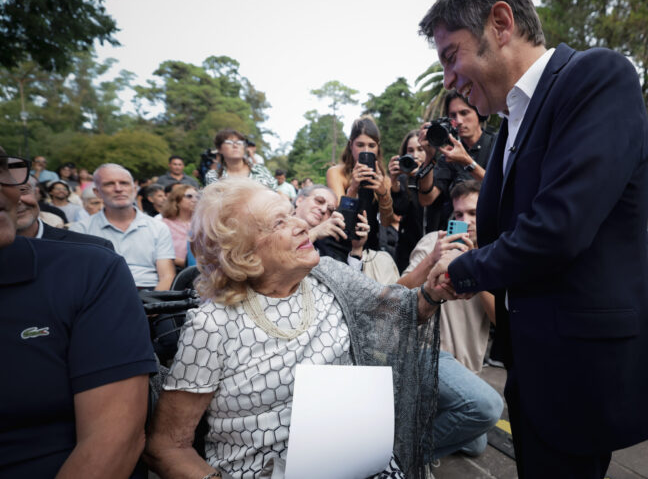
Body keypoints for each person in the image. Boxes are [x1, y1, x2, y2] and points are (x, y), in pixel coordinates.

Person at [420, 0, 648, 478]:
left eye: (451, 55)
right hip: (533, 367)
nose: (448, 79)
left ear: (500, 23)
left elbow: (559, 226)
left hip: (580, 372)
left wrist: (463, 271)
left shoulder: (597, 77)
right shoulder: (512, 122)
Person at [144, 179, 453, 479]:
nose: (302, 225)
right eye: (279, 222)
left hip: (356, 462)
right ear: (244, 252)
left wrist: (432, 292)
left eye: (291, 213)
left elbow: (399, 311)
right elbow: (167, 447)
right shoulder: (212, 325)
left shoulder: (329, 274)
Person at [0, 147, 156, 477]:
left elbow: (115, 440)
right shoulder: (88, 236)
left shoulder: (90, 268)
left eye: (2, 171)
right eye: (109, 184)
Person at [403, 180, 502, 460]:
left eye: (473, 213)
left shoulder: (496, 253)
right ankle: (400, 456)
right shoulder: (435, 242)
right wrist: (432, 260)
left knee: (475, 445)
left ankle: (414, 419)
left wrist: (476, 268)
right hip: (425, 351)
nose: (465, 221)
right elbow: (396, 293)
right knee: (486, 409)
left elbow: (501, 321)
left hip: (465, 367)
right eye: (459, 214)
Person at [72, 163, 176, 290]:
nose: (118, 189)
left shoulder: (158, 228)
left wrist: (154, 302)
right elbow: (79, 276)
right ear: (97, 192)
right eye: (109, 184)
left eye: (124, 183)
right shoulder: (80, 230)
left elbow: (167, 276)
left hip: (149, 293)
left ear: (134, 189)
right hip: (101, 293)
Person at [326, 116, 394, 252]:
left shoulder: (383, 179)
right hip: (340, 244)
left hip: (370, 247)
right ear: (351, 145)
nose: (366, 151)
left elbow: (386, 222)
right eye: (360, 145)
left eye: (372, 145)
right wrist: (353, 188)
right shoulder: (336, 173)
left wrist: (383, 194)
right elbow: (341, 218)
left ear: (378, 147)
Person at [417, 92, 495, 208]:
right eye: (453, 115)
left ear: (479, 113)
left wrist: (467, 162)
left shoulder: (498, 144)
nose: (458, 121)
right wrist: (429, 157)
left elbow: (502, 188)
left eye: (464, 113)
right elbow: (426, 200)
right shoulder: (448, 155)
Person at [389, 129, 448, 273]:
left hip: (438, 246)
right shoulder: (403, 179)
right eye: (410, 150)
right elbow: (399, 209)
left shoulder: (440, 174)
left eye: (420, 149)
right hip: (408, 251)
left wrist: (422, 178)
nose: (415, 155)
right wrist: (394, 181)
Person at [15, 175, 114, 250]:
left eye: (23, 190)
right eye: (58, 188)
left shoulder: (99, 244)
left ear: (36, 192)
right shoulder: (77, 228)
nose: (101, 207)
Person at [204, 129, 277, 189]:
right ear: (219, 149)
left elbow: (276, 195)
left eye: (239, 142)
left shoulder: (260, 170)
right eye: (229, 142)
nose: (235, 145)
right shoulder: (213, 176)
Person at [160, 184, 199, 269]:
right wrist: (185, 263)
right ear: (177, 201)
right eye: (189, 196)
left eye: (197, 197)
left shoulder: (202, 223)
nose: (195, 200)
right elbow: (160, 253)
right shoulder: (164, 224)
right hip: (174, 269)